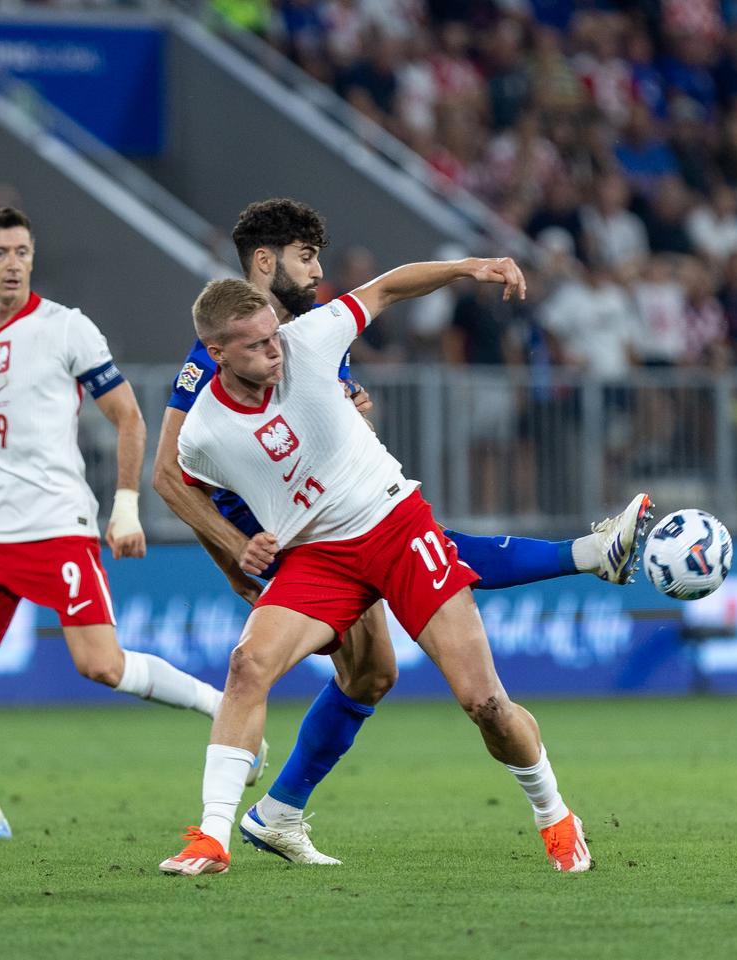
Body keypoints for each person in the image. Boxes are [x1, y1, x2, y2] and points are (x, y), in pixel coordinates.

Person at [152, 199, 648, 865]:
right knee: (251, 665)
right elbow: (174, 478)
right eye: (306, 258)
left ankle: (555, 816)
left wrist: (472, 266)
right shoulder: (204, 414)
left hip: (390, 523)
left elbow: (386, 286)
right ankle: (214, 833)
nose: (276, 348)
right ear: (221, 351)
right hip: (314, 553)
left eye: (276, 338)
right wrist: (235, 553)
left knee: (477, 701)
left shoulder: (311, 334)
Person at [0, 207, 229, 841]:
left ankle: (220, 708)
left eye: (23, 252)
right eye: (1, 253)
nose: (14, 264)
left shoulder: (67, 329)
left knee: (101, 667)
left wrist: (123, 509)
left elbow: (128, 419)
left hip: (60, 524)